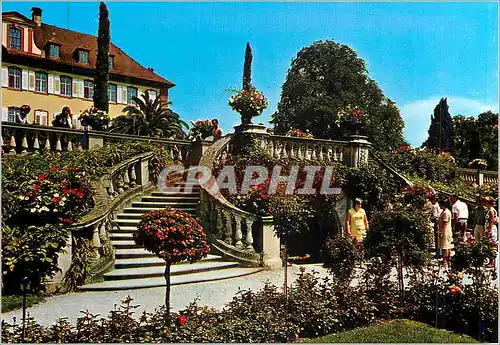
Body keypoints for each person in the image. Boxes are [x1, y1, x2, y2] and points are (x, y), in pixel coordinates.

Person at [438, 199, 453, 267]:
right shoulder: (445, 211)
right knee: (447, 245)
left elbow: (445, 223)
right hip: (447, 230)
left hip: (445, 231)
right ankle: (448, 260)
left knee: (445, 246)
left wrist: (441, 232)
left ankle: (445, 261)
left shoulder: (446, 213)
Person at [484, 196, 498, 268]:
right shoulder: (488, 209)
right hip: (488, 228)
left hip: (491, 229)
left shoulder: (491, 210)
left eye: (485, 201)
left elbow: (491, 221)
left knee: (491, 245)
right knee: (489, 245)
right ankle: (490, 260)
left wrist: (489, 231)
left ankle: (492, 261)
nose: (484, 202)